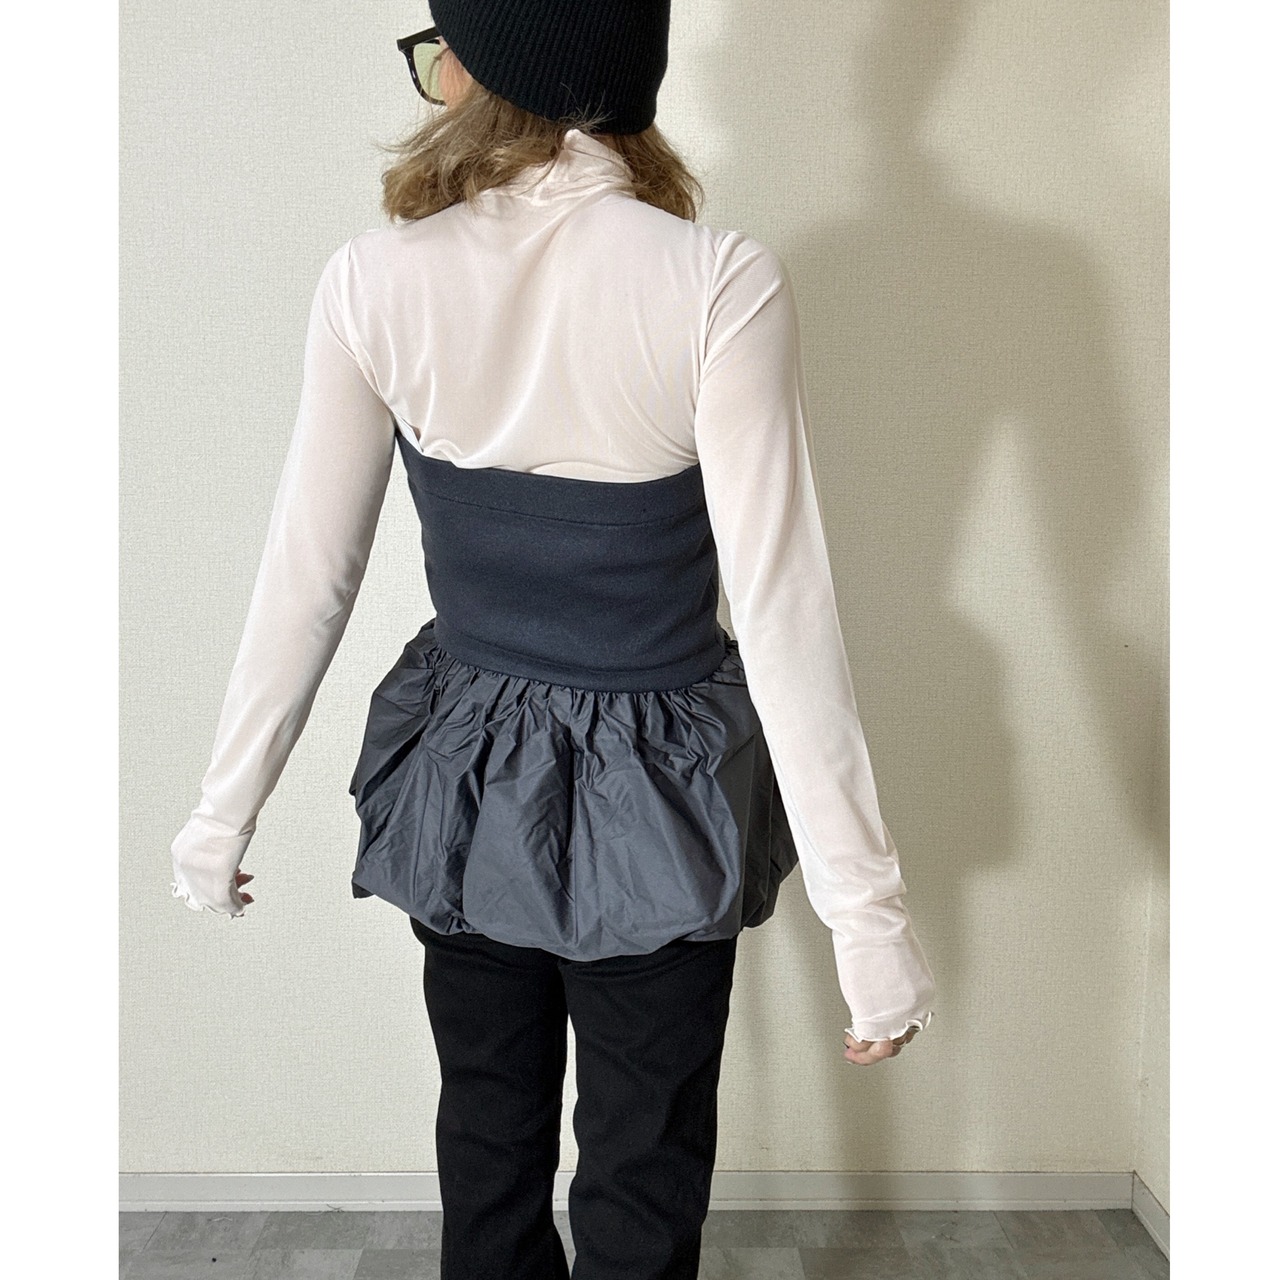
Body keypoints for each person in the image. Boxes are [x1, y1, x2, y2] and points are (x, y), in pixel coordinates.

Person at [168, 2, 937, 1275]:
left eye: (440, 46)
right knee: (644, 1159)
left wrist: (221, 811)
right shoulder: (713, 278)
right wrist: (867, 920)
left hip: (469, 771)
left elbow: (311, 575)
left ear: (485, 71)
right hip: (664, 788)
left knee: (486, 1135)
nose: (433, 73)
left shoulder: (373, 280)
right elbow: (783, 609)